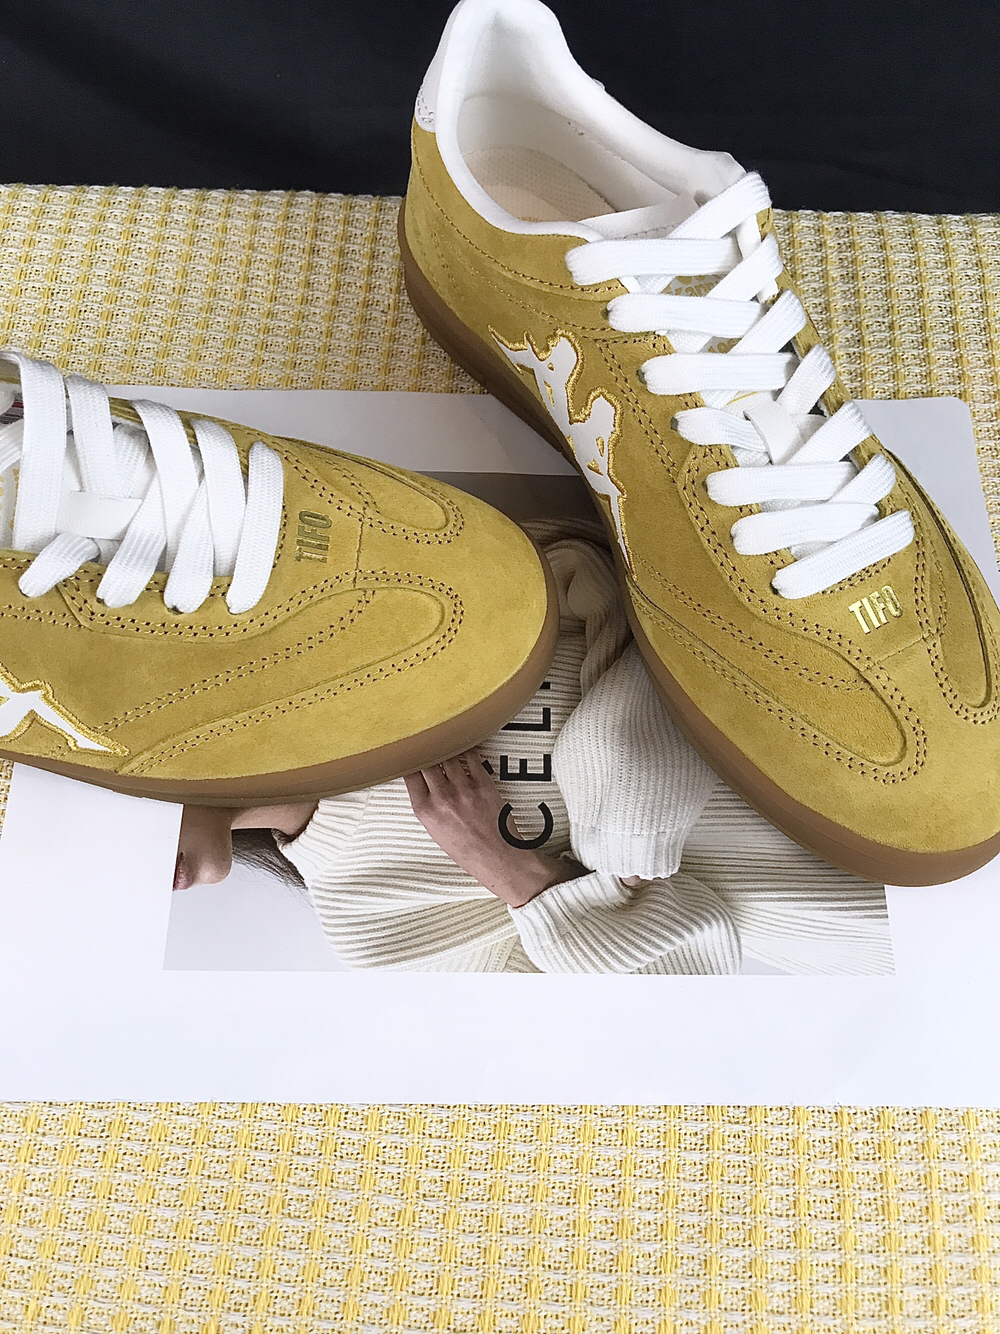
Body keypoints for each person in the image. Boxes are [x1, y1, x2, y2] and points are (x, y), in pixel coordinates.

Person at [174, 519, 893, 974]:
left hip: (861, 699)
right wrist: (509, 870)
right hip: (865, 905)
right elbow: (676, 994)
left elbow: (609, 573)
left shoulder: (369, 644)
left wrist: (624, 838)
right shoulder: (369, 924)